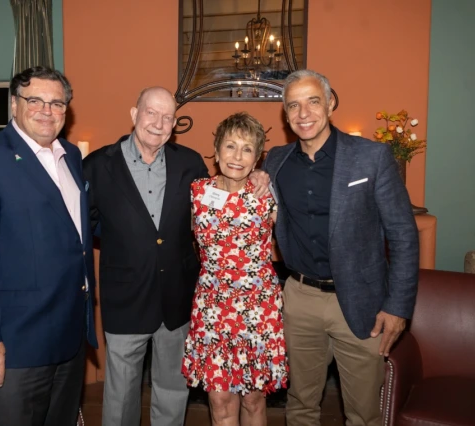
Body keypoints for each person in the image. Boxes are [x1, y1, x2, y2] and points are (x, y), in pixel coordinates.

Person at [82, 87, 269, 426]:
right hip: (126, 297)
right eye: (151, 113)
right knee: (120, 394)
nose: (158, 123)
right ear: (134, 114)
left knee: (172, 389)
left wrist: (259, 174)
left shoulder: (189, 163)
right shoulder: (97, 165)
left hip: (178, 298)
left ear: (174, 125)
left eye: (167, 117)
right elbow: (87, 225)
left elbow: (222, 195)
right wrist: (127, 245)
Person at [264, 69, 419, 426]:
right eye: (293, 106)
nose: (303, 114)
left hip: (363, 301)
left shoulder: (371, 157)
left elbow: (403, 235)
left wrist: (398, 307)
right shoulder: (276, 161)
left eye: (313, 101)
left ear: (331, 103)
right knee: (300, 406)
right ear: (285, 115)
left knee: (364, 414)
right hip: (299, 298)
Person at [0, 66, 98, 426]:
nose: (47, 110)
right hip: (15, 347)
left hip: (69, 340)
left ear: (67, 110)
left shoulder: (72, 158)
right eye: (35, 100)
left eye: (56, 103)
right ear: (14, 104)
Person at [182, 112, 288, 426]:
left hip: (258, 308)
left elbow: (297, 240)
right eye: (230, 146)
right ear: (216, 151)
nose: (237, 156)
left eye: (247, 149)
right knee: (220, 400)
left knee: (254, 401)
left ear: (257, 158)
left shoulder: (266, 195)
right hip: (213, 308)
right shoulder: (197, 192)